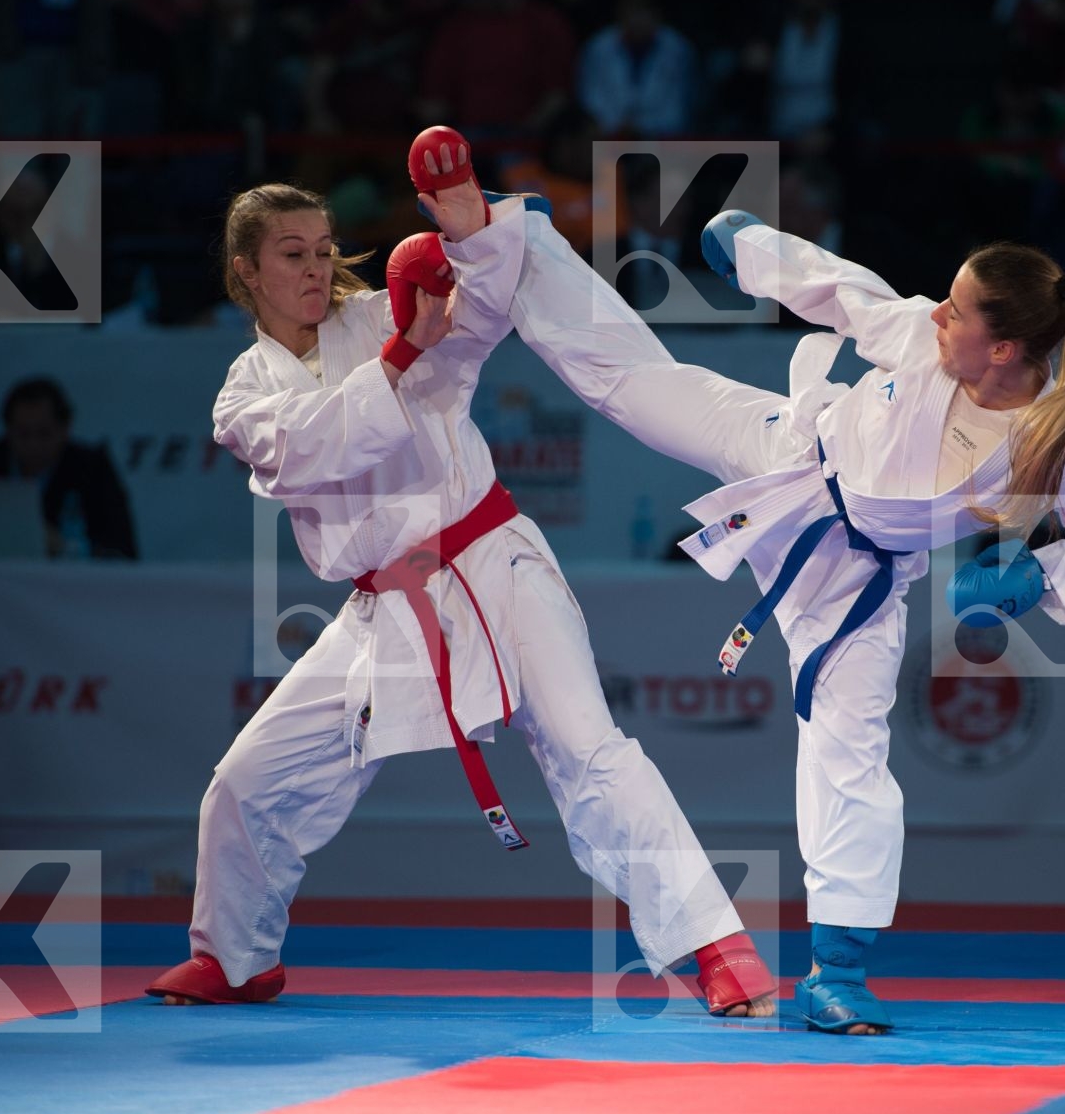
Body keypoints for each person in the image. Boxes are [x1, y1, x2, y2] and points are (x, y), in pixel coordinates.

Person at [459, 132, 1065, 1032]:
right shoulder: (927, 338)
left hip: (856, 575)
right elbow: (847, 292)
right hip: (792, 453)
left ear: (1006, 349)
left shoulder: (1056, 441)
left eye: (958, 311)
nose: (937, 315)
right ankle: (511, 241)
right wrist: (751, 246)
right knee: (630, 385)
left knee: (848, 747)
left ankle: (840, 968)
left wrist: (1037, 580)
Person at [145, 138, 775, 1018]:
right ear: (245, 270)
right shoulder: (245, 391)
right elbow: (306, 450)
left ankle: (717, 948)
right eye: (293, 255)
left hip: (491, 562)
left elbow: (481, 308)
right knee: (246, 783)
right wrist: (402, 357)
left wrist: (463, 223)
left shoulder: (384, 314)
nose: (317, 269)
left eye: (326, 250)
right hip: (383, 609)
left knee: (588, 749)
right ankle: (233, 959)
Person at [0, 376, 139, 560]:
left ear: (65, 429)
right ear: (7, 430)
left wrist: (67, 548)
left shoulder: (93, 469)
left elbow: (122, 550)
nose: (33, 445)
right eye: (23, 433)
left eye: (44, 434)